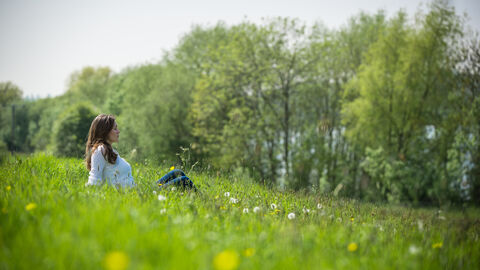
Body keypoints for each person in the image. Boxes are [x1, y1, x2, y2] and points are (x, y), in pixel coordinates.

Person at [84, 114, 196, 190]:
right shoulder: (100, 150)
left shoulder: (109, 150)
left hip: (139, 190)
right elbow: (95, 179)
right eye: (115, 129)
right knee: (183, 180)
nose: (118, 131)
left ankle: (199, 200)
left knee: (177, 172)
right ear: (105, 131)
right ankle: (206, 203)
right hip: (133, 195)